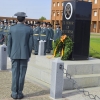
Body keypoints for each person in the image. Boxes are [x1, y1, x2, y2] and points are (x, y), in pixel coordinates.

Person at [7, 12, 33, 99]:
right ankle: (20, 93)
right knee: (22, 74)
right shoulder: (28, 29)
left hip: (14, 54)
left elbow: (9, 43)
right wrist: (29, 55)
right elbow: (30, 44)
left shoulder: (12, 28)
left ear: (17, 19)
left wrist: (9, 54)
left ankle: (14, 93)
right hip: (24, 54)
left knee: (15, 74)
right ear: (24, 19)